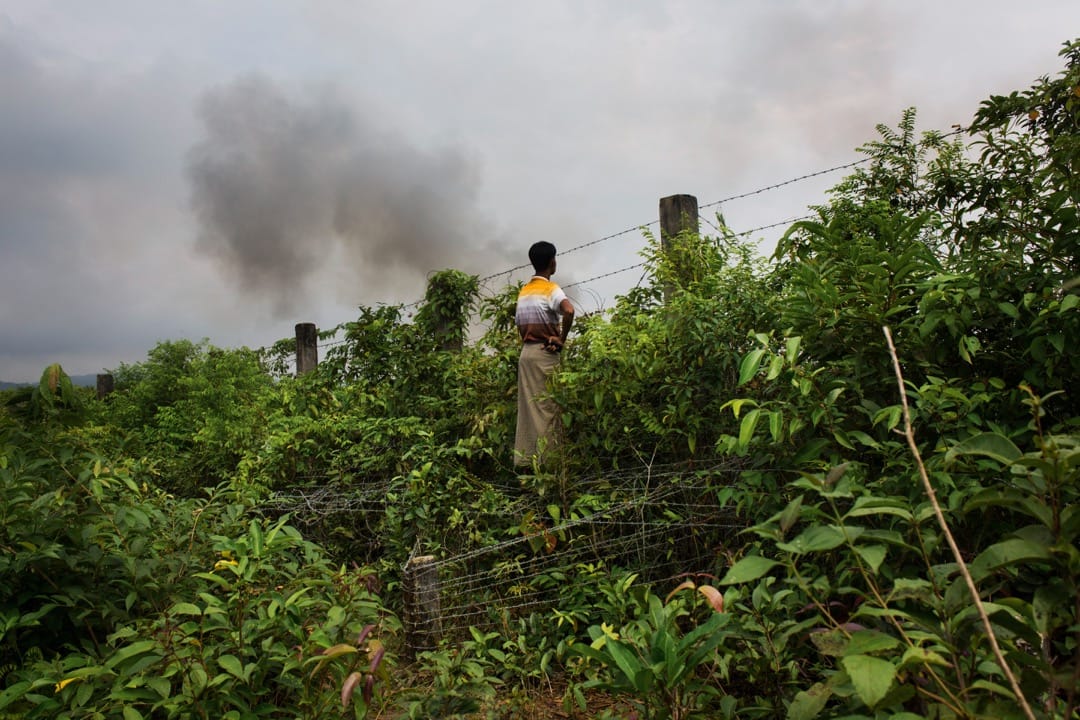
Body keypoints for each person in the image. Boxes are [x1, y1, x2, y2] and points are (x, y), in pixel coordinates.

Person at [514, 241, 575, 467]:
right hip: (545, 354)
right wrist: (561, 339)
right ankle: (550, 464)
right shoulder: (550, 289)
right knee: (549, 410)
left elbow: (520, 325)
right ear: (552, 262)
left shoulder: (524, 292)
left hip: (526, 355)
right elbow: (569, 310)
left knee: (528, 411)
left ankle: (526, 463)